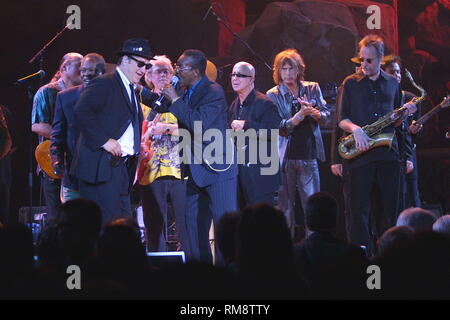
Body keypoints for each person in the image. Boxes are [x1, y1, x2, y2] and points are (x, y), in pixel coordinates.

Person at [336, 34, 417, 253]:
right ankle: (361, 257)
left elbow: (398, 122)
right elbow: (341, 118)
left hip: (388, 156)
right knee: (358, 211)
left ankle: (390, 254)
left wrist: (406, 113)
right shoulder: (350, 84)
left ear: (381, 58)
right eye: (361, 60)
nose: (363, 65)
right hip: (360, 156)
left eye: (368, 61)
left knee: (390, 211)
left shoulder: (392, 83)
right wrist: (356, 129)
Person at [158, 49, 238, 265]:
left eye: (181, 66)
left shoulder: (213, 91)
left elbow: (199, 124)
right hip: (194, 168)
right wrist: (144, 90)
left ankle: (227, 278)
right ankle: (201, 278)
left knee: (224, 227)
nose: (177, 70)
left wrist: (175, 100)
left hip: (217, 168)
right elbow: (166, 106)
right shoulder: (185, 92)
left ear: (195, 71)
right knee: (193, 227)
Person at [72, 38, 156, 224]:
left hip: (120, 168)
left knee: (122, 224)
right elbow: (81, 111)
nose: (143, 70)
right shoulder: (105, 82)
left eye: (147, 66)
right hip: (100, 167)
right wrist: (104, 140)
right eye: (140, 63)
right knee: (107, 225)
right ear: (125, 60)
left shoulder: (131, 89)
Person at [267, 48, 330, 240]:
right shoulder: (273, 94)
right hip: (284, 159)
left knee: (312, 210)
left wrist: (313, 112)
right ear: (278, 71)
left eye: (291, 69)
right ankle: (286, 255)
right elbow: (279, 127)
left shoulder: (312, 88)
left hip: (308, 155)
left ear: (299, 70)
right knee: (285, 211)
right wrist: (298, 116)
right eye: (283, 69)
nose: (287, 73)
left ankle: (313, 253)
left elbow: (327, 117)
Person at [138, 55, 189, 253]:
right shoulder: (142, 102)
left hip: (180, 169)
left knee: (185, 223)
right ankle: (157, 266)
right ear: (148, 76)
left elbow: (193, 128)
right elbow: (140, 133)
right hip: (150, 170)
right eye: (158, 71)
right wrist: (150, 130)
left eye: (167, 71)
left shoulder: (181, 101)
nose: (163, 75)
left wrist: (166, 128)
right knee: (154, 225)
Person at [31, 52, 83, 225]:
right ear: (63, 68)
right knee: (57, 217)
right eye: (79, 65)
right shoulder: (47, 92)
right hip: (54, 162)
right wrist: (66, 136)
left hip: (79, 164)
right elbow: (37, 125)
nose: (83, 69)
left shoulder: (84, 93)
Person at [50, 53, 106, 203]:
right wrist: (56, 159)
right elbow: (57, 134)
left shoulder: (111, 97)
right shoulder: (65, 97)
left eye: (91, 70)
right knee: (73, 222)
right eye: (83, 70)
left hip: (102, 175)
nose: (86, 74)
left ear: (101, 72)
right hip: (74, 176)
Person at [228, 61, 281, 207]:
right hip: (240, 175)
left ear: (252, 79)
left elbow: (273, 131)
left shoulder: (265, 103)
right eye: (233, 74)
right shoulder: (234, 104)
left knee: (260, 223)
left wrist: (246, 125)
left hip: (261, 176)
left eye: (240, 75)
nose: (235, 78)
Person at [382, 55, 422, 208]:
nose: (397, 75)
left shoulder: (410, 98)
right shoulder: (382, 99)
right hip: (388, 152)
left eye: (398, 72)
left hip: (408, 153)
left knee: (413, 196)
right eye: (393, 72)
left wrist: (416, 130)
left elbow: (417, 134)